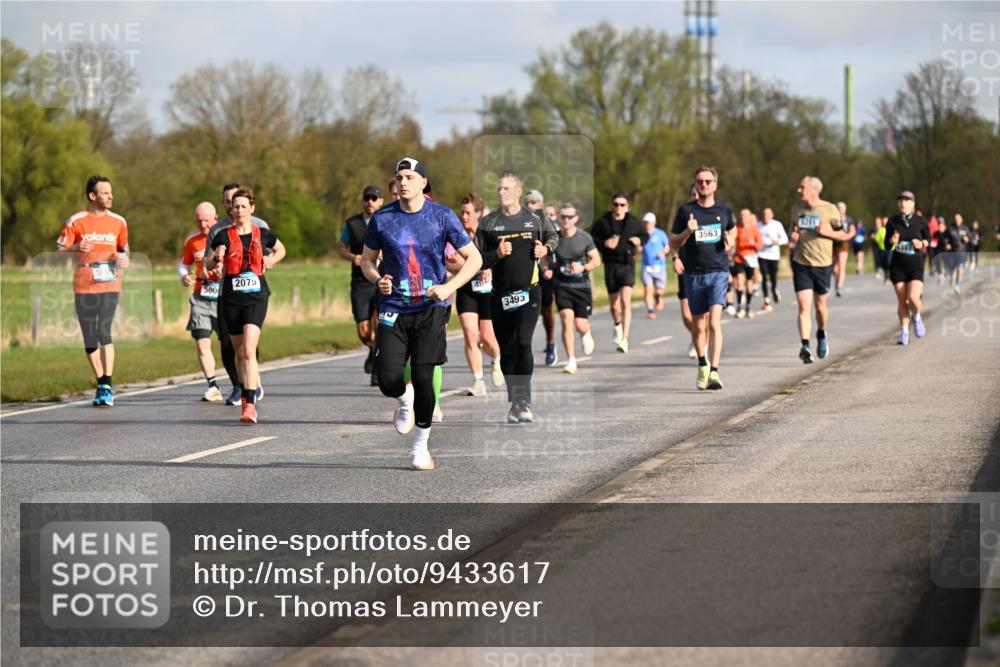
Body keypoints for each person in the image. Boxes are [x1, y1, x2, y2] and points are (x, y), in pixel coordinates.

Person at [361, 157, 482, 470]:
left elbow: (474, 259)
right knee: (388, 378)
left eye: (409, 177)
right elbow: (366, 261)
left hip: (431, 307)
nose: (403, 183)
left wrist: (448, 286)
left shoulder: (442, 216)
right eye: (399, 177)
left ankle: (420, 448)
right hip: (394, 306)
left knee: (425, 379)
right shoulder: (383, 218)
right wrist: (379, 279)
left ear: (423, 183)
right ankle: (404, 400)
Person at [477, 171, 559, 423]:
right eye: (499, 189)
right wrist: (496, 255)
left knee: (523, 342)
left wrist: (545, 248)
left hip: (529, 292)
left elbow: (554, 237)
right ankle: (515, 401)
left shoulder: (535, 219)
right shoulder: (488, 223)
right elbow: (476, 257)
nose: (500, 192)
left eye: (505, 189)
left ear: (517, 192)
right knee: (508, 350)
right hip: (499, 295)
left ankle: (524, 401)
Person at [206, 187, 286, 424]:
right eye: (235, 206)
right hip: (231, 299)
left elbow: (281, 249)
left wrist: (271, 259)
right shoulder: (222, 235)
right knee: (239, 353)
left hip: (256, 297)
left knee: (249, 350)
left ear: (252, 208)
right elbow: (208, 265)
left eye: (243, 206)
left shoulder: (262, 233)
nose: (238, 210)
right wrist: (217, 256)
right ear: (230, 209)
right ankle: (245, 395)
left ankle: (250, 405)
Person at [56, 175, 129, 407]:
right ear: (92, 196)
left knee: (103, 330)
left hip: (109, 283)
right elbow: (58, 251)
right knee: (89, 337)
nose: (110, 196)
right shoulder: (77, 221)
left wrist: (124, 257)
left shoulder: (119, 221)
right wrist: (75, 248)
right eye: (105, 193)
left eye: (111, 192)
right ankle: (101, 383)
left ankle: (107, 383)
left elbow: (124, 248)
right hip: (84, 283)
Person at [669, 166, 736, 390]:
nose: (704, 185)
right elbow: (673, 242)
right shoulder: (685, 210)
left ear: (715, 185)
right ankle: (702, 364)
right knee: (699, 325)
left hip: (718, 270)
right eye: (700, 181)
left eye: (708, 181)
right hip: (694, 273)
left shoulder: (724, 210)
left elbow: (732, 230)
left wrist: (730, 240)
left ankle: (715, 372)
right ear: (695, 184)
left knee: (715, 322)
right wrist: (687, 231)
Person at [789, 175, 850, 363]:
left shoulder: (830, 209)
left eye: (802, 187)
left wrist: (826, 232)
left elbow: (843, 234)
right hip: (801, 263)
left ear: (814, 190)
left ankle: (821, 333)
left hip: (823, 264)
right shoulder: (796, 209)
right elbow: (793, 231)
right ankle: (805, 346)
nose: (799, 190)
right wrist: (793, 238)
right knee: (803, 304)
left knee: (821, 306)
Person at [447, 193, 503, 396]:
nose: (463, 216)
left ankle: (496, 360)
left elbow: (501, 259)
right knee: (471, 335)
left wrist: (490, 267)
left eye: (468, 212)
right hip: (466, 289)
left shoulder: (489, 234)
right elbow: (448, 262)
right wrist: (470, 266)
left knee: (488, 339)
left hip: (488, 291)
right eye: (461, 212)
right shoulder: (456, 236)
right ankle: (478, 381)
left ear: (479, 213)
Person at [338, 185, 384, 386]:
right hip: (359, 281)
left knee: (381, 323)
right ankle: (373, 349)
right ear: (363, 201)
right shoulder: (352, 224)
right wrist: (352, 257)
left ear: (381, 201)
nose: (370, 202)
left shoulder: (387, 220)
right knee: (364, 331)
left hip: (382, 279)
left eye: (374, 199)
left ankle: (377, 362)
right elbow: (340, 246)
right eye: (367, 198)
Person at [591, 193, 647, 353]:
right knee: (615, 306)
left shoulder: (633, 222)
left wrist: (639, 241)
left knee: (625, 302)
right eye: (616, 204)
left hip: (627, 264)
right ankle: (617, 324)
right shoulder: (604, 222)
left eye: (622, 205)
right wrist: (604, 243)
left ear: (627, 206)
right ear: (612, 205)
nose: (619, 207)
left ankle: (625, 339)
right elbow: (592, 238)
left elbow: (645, 236)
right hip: (610, 265)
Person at [179, 202, 224, 402]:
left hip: (224, 298)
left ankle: (241, 384)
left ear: (215, 217)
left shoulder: (225, 235)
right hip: (201, 298)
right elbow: (184, 264)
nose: (203, 225)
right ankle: (212, 386)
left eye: (207, 220)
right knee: (201, 341)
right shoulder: (192, 239)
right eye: (199, 221)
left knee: (228, 346)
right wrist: (184, 276)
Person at [552, 202, 600, 374]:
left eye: (569, 217)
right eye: (563, 216)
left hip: (581, 286)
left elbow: (596, 260)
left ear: (576, 218)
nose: (565, 220)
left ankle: (586, 332)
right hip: (562, 286)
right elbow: (544, 256)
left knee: (580, 324)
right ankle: (571, 360)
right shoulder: (554, 238)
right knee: (566, 319)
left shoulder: (584, 237)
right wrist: (546, 269)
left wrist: (583, 268)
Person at [884, 191, 930, 345]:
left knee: (913, 299)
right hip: (898, 266)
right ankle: (904, 332)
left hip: (915, 265)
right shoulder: (892, 222)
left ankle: (917, 317)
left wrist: (921, 243)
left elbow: (928, 239)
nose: (903, 203)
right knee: (903, 301)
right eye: (901, 201)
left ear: (913, 204)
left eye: (906, 200)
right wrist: (892, 240)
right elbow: (886, 245)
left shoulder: (920, 221)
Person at [526, 190, 558, 367]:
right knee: (524, 312)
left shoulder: (545, 222)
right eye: (528, 202)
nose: (530, 205)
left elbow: (554, 244)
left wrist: (547, 266)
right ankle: (525, 349)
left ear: (541, 204)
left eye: (534, 202)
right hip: (525, 274)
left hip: (545, 272)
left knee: (546, 311)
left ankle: (551, 342)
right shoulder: (519, 219)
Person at [731, 209, 764, 319]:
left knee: (749, 283)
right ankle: (740, 306)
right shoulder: (737, 228)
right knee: (740, 282)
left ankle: (748, 307)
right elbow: (732, 241)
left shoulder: (754, 229)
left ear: (750, 217)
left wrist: (754, 244)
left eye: (745, 215)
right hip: (739, 259)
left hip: (751, 259)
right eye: (742, 215)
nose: (743, 217)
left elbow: (760, 244)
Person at [757, 207, 787, 312]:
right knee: (764, 276)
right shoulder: (758, 225)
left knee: (773, 276)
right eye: (764, 214)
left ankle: (774, 289)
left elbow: (785, 238)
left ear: (772, 215)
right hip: (762, 254)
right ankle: (766, 299)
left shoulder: (777, 224)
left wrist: (777, 241)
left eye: (767, 214)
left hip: (774, 255)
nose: (765, 216)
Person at [641, 212, 669, 319]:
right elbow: (638, 247)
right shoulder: (642, 234)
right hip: (646, 266)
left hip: (659, 267)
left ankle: (658, 296)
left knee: (659, 290)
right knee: (648, 289)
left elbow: (667, 246)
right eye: (645, 222)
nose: (647, 224)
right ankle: (650, 310)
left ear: (654, 222)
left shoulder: (660, 234)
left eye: (648, 222)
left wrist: (662, 253)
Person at [831, 202, 856, 297]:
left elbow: (853, 231)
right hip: (833, 244)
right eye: (838, 208)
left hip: (844, 244)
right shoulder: (832, 219)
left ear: (845, 210)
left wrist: (847, 236)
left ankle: (839, 287)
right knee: (834, 268)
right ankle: (837, 283)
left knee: (841, 266)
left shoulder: (849, 220)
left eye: (841, 208)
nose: (840, 210)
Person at [947, 213, 971, 293]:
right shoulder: (950, 228)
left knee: (960, 269)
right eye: (956, 219)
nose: (957, 221)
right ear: (954, 220)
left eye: (958, 219)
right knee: (952, 269)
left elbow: (970, 237)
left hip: (962, 251)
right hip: (952, 252)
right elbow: (946, 238)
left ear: (961, 220)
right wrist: (947, 244)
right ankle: (952, 277)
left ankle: (957, 285)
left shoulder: (965, 228)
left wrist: (967, 238)